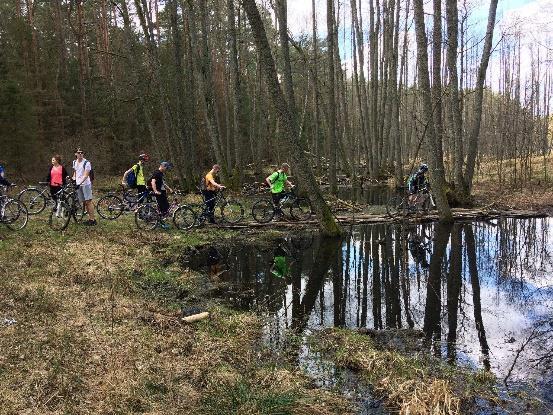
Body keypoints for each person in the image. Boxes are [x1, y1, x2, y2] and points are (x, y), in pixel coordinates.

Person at [72, 148, 96, 226]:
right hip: (78, 184)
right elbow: (75, 173)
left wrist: (79, 183)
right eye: (78, 153)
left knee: (88, 201)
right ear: (75, 154)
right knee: (84, 202)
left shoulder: (87, 163)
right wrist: (73, 179)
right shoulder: (74, 162)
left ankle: (93, 220)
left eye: (82, 152)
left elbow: (86, 175)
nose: (80, 154)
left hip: (85, 184)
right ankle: (90, 218)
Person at [150, 161, 173, 229]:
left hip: (162, 192)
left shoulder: (161, 173)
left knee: (166, 207)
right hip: (158, 193)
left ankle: (161, 221)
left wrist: (169, 188)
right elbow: (153, 182)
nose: (166, 169)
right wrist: (155, 191)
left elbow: (163, 183)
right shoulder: (157, 172)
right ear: (162, 166)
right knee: (162, 208)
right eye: (166, 167)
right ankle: (160, 223)